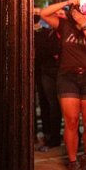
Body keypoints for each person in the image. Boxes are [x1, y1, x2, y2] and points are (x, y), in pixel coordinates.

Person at [41, 0, 86, 170]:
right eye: (76, 8)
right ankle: (72, 162)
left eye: (82, 8)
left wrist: (84, 24)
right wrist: (67, 1)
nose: (78, 11)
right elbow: (44, 13)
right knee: (70, 121)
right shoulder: (64, 25)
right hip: (68, 77)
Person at [34, 8, 63, 150]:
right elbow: (41, 51)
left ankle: (63, 136)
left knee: (62, 106)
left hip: (61, 72)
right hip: (47, 71)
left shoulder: (65, 33)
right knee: (52, 106)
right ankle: (53, 137)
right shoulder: (46, 33)